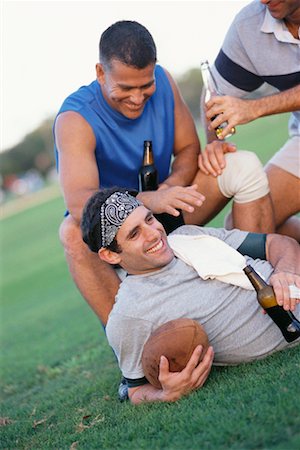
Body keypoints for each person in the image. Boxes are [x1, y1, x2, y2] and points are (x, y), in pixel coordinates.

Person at [53, 20, 275, 333]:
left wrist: (168, 189)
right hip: (122, 234)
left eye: (145, 86)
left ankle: (255, 299)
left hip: (168, 205)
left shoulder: (164, 80)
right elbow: (79, 202)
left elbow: (187, 150)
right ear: (101, 74)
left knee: (241, 164)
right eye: (125, 88)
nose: (137, 97)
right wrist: (147, 201)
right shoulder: (75, 118)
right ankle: (138, 347)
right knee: (71, 233)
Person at [81, 188, 300, 405]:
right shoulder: (130, 314)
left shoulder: (188, 237)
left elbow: (278, 244)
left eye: (149, 219)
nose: (154, 233)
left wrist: (286, 272)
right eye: (134, 234)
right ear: (110, 255)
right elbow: (135, 391)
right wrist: (164, 394)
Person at [200, 0, 300, 241]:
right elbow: (214, 93)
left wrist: (254, 109)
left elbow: (251, 108)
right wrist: (215, 142)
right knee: (245, 221)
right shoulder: (249, 25)